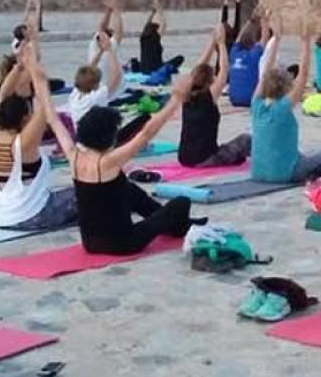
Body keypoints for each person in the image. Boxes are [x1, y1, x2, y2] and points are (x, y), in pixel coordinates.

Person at [36, 61, 206, 255]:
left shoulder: (73, 155)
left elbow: (53, 118)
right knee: (181, 202)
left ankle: (173, 222)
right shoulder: (108, 162)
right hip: (124, 243)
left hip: (90, 243)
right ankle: (178, 225)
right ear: (109, 137)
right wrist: (176, 99)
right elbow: (146, 134)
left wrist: (37, 76)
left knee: (127, 188)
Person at [0, 42, 77, 230]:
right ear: (24, 118)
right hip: (29, 216)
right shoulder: (24, 143)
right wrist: (34, 68)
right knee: (91, 191)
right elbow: (44, 102)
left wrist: (19, 67)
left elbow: (2, 95)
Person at [251, 16, 321, 183]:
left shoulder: (256, 105)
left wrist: (277, 39)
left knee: (305, 155)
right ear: (286, 87)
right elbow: (303, 74)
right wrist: (305, 41)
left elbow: (264, 73)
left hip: (257, 172)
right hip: (285, 174)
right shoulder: (283, 107)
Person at [179, 26, 251, 167]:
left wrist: (213, 42)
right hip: (205, 158)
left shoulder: (186, 95)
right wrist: (221, 43)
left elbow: (198, 67)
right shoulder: (208, 96)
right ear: (210, 81)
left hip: (184, 157)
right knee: (246, 140)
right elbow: (224, 70)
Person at [69, 30, 123, 127]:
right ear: (95, 86)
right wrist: (110, 50)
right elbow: (116, 76)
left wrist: (101, 51)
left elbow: (90, 68)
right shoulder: (96, 98)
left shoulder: (74, 95)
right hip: (94, 135)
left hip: (78, 132)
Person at [131, 0, 184, 75]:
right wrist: (160, 10)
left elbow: (147, 24)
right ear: (155, 29)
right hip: (155, 68)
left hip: (143, 68)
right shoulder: (155, 36)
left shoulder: (143, 37)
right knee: (180, 58)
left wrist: (153, 12)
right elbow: (164, 24)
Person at [228, 12, 269, 108]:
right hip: (251, 99)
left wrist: (250, 21)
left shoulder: (234, 53)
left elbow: (238, 37)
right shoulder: (254, 54)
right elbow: (265, 36)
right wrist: (265, 20)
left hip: (234, 100)